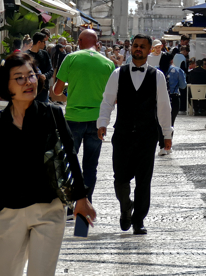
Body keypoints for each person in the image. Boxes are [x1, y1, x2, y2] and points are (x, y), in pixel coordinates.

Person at [0, 54, 96, 276]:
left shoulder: (53, 115)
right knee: (6, 275)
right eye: (19, 78)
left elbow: (71, 155)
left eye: (31, 76)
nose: (28, 82)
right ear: (6, 87)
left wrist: (81, 198)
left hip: (49, 208)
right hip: (10, 211)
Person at [96, 33, 172, 235]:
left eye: (142, 46)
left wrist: (167, 134)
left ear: (149, 51)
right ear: (131, 49)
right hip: (122, 134)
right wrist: (102, 122)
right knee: (120, 179)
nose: (138, 49)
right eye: (136, 46)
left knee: (143, 181)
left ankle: (139, 219)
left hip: (147, 136)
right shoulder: (117, 74)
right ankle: (125, 206)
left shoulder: (157, 76)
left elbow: (164, 107)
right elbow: (107, 100)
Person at [52, 29, 114, 200]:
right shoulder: (108, 63)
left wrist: (68, 92)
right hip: (97, 120)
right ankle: (86, 200)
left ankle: (72, 200)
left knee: (68, 162)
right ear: (96, 42)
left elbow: (56, 91)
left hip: (73, 118)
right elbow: (114, 97)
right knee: (90, 166)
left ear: (79, 41)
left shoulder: (71, 58)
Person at [159, 51, 186, 154]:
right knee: (170, 122)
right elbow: (183, 86)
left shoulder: (157, 70)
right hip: (173, 98)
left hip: (160, 98)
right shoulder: (178, 71)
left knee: (159, 122)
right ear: (171, 60)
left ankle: (161, 145)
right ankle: (168, 145)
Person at [27, 33, 53, 103]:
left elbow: (51, 70)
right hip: (29, 90)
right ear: (39, 42)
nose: (45, 44)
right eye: (44, 42)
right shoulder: (26, 55)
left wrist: (45, 76)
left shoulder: (45, 54)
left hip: (43, 91)